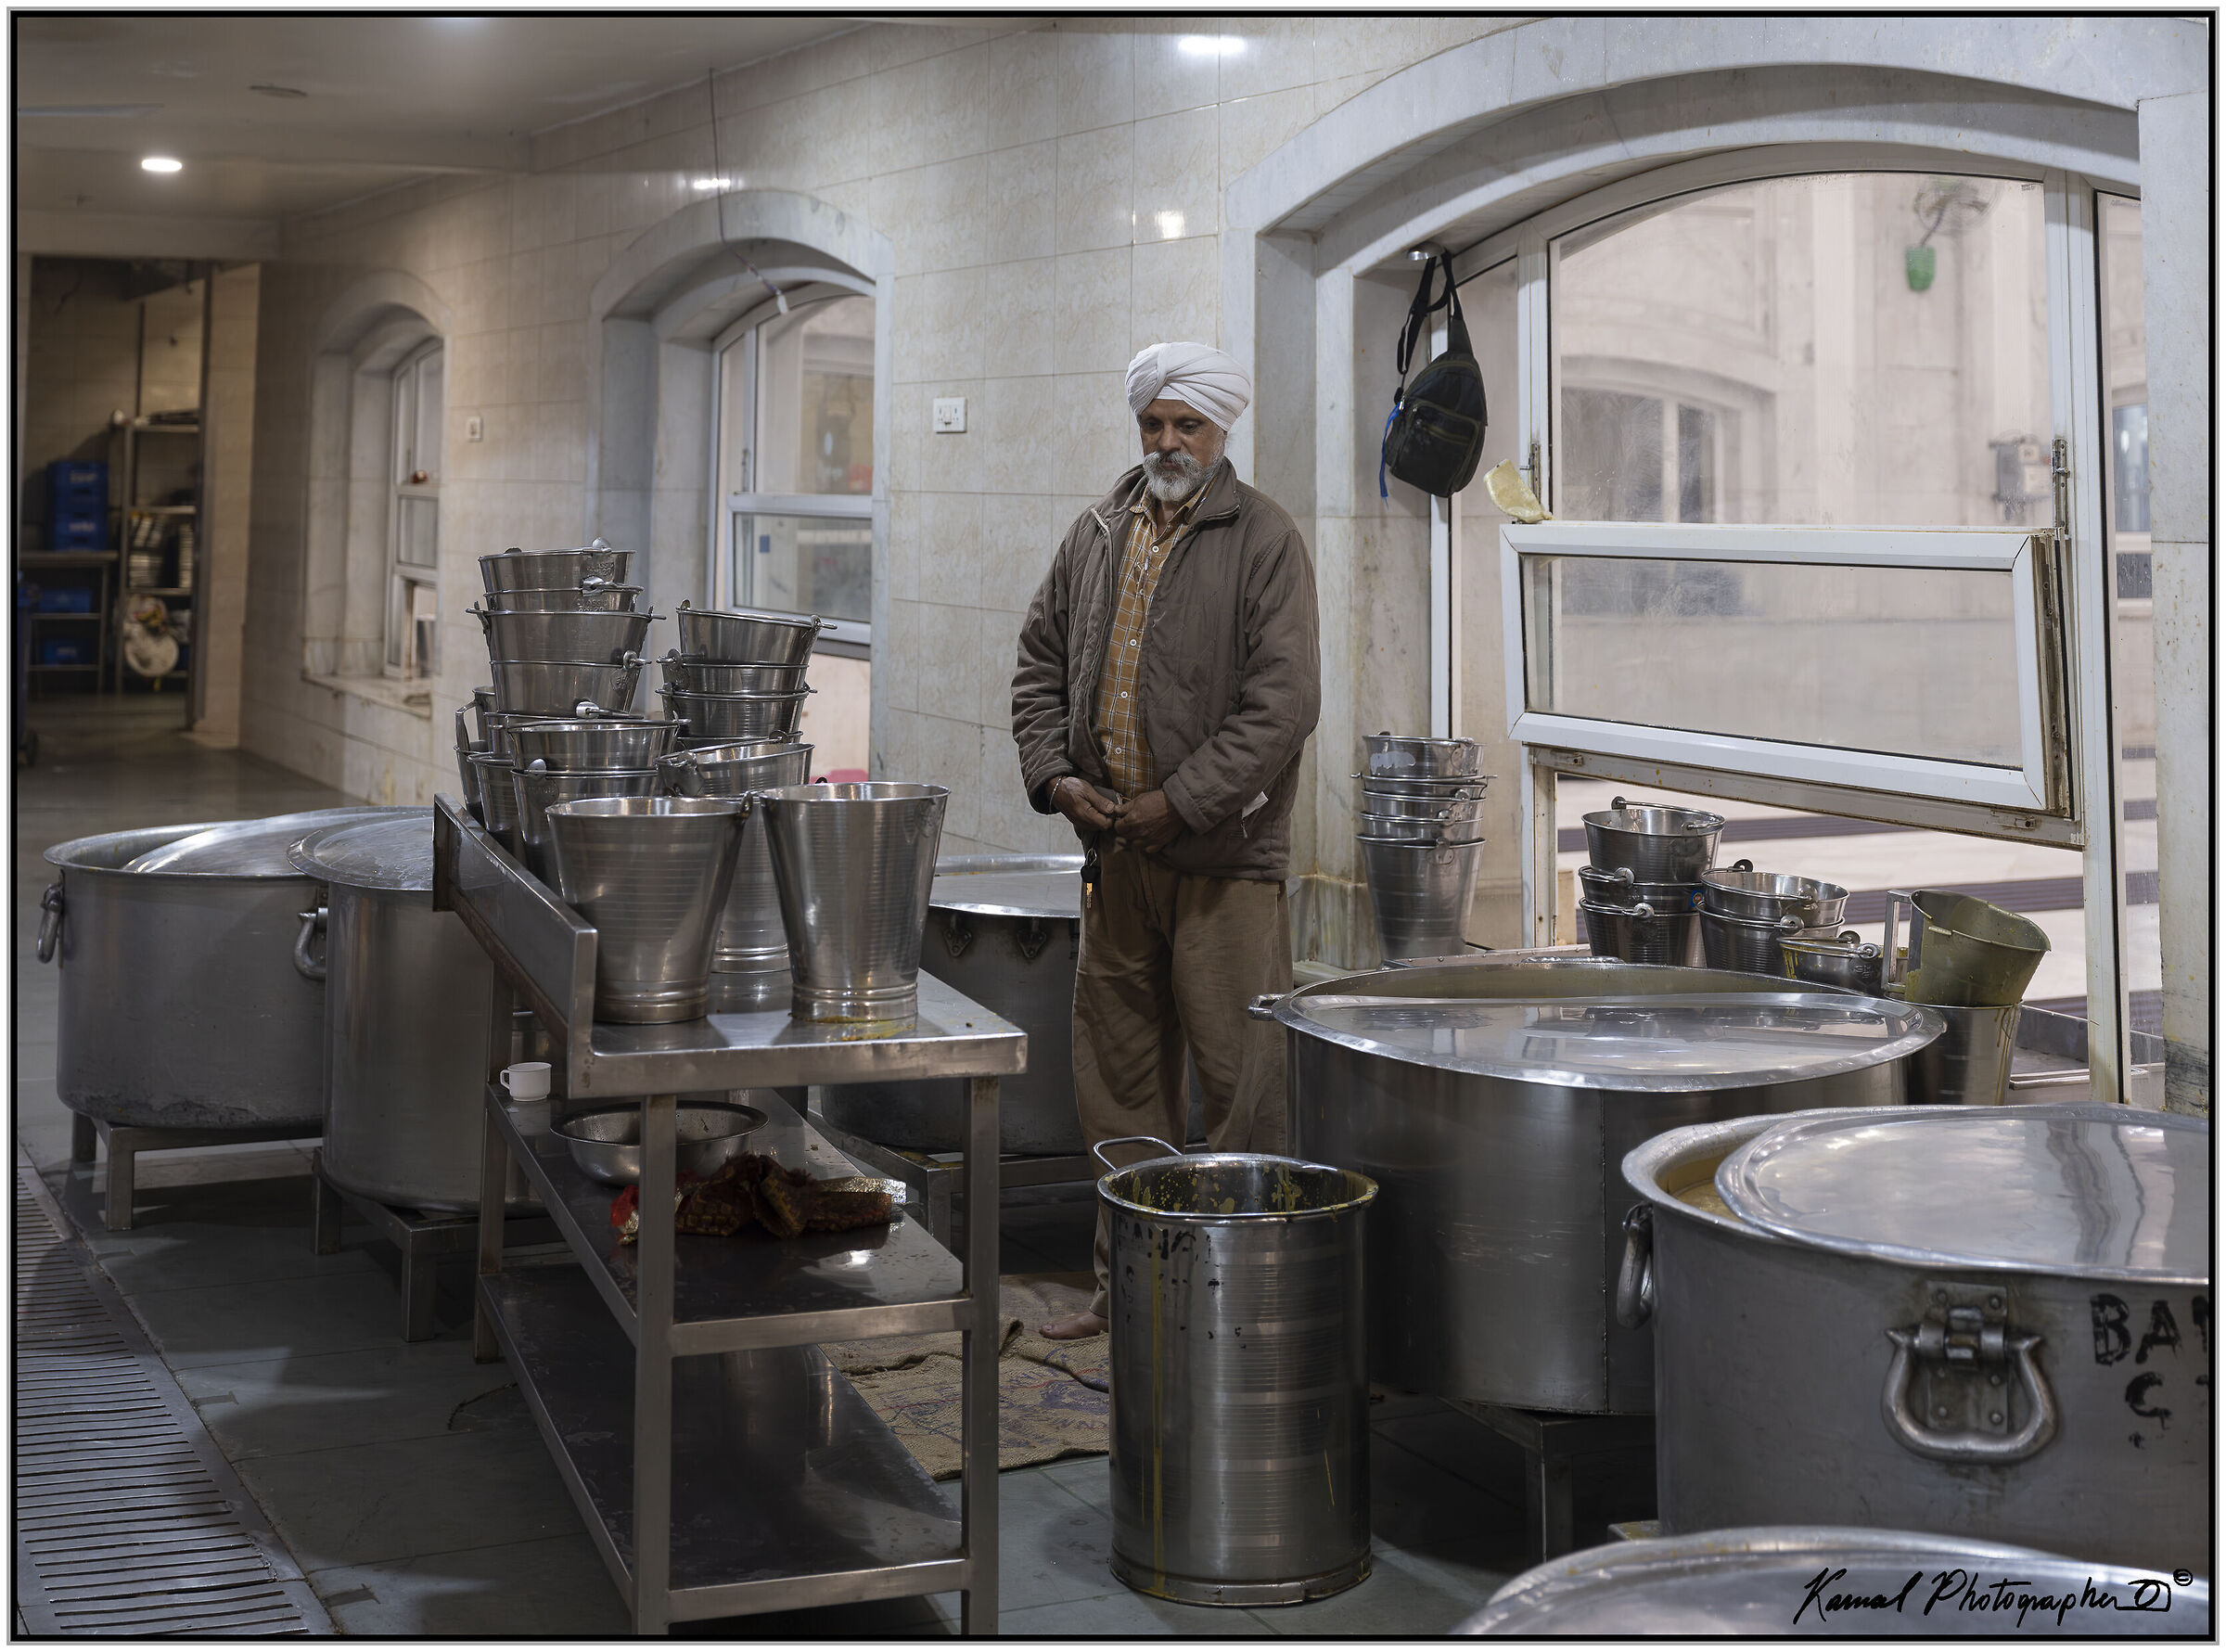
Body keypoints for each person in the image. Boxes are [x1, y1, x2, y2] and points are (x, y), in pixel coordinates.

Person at [1011, 341, 1322, 1339]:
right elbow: (1038, 665)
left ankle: (1238, 1304)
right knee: (1119, 1086)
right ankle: (1128, 1294)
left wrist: (1179, 801)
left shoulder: (1262, 537)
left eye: (1187, 423)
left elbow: (1281, 709)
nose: (1167, 440)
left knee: (1241, 1088)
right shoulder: (1098, 530)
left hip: (1221, 859)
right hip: (1117, 858)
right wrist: (1058, 778)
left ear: (1221, 429)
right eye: (1154, 423)